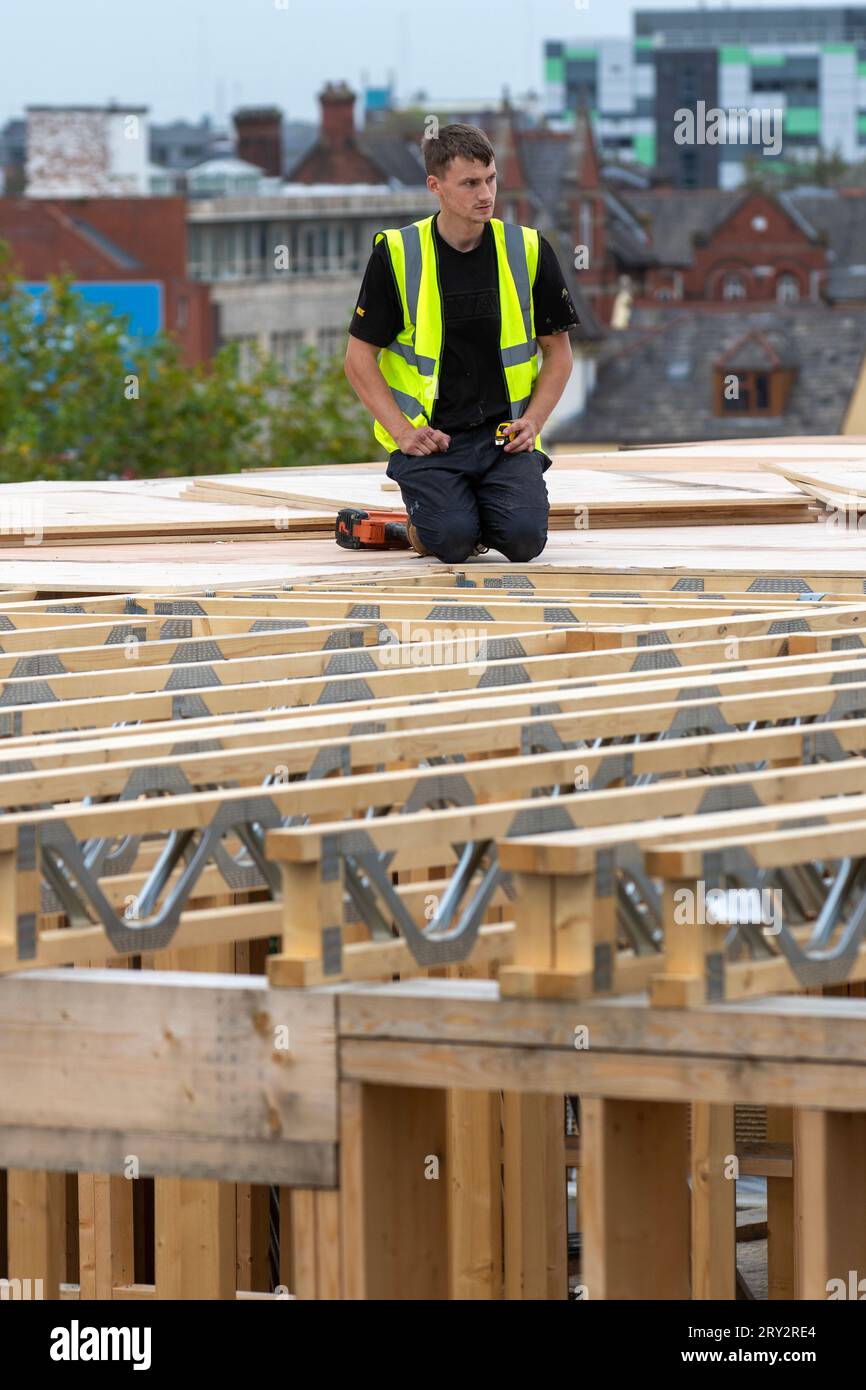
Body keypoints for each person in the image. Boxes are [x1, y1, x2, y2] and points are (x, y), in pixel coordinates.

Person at [345, 122, 579, 564]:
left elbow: (559, 353)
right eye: (470, 183)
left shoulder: (526, 249)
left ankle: (468, 510)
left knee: (526, 541)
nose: (485, 193)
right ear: (436, 186)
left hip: (503, 439)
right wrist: (403, 433)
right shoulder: (397, 255)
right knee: (452, 542)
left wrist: (534, 421)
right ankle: (432, 522)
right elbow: (358, 360)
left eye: (490, 179)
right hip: (433, 441)